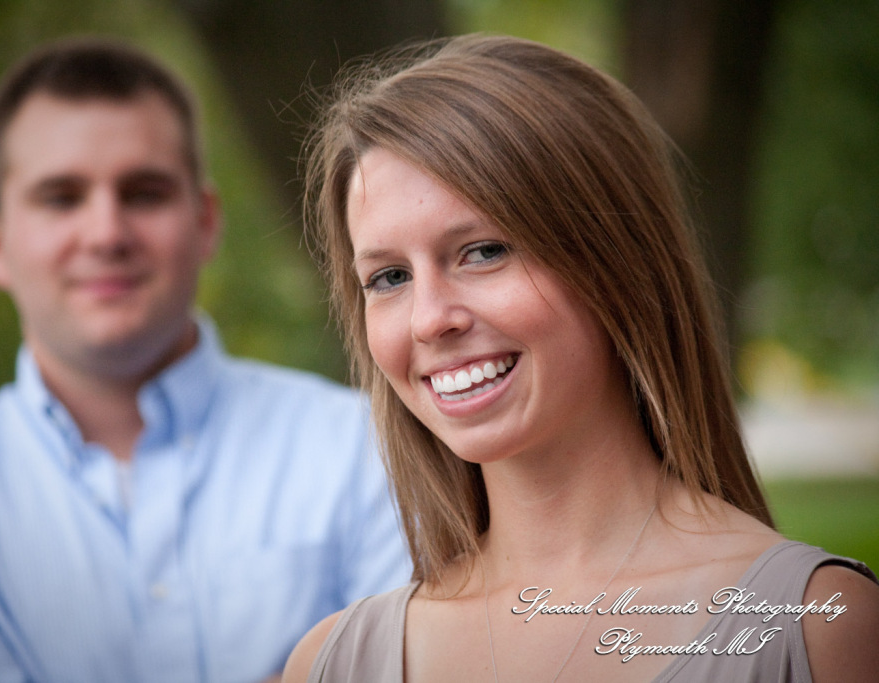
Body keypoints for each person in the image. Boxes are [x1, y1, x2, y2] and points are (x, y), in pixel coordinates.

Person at [285, 34, 879, 682]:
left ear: (616, 262)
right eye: (390, 277)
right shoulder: (332, 661)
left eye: (483, 251)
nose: (430, 318)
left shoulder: (816, 626)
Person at [0, 38, 409, 683]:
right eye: (61, 198)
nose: (107, 234)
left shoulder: (371, 451)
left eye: (144, 193)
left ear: (204, 222)